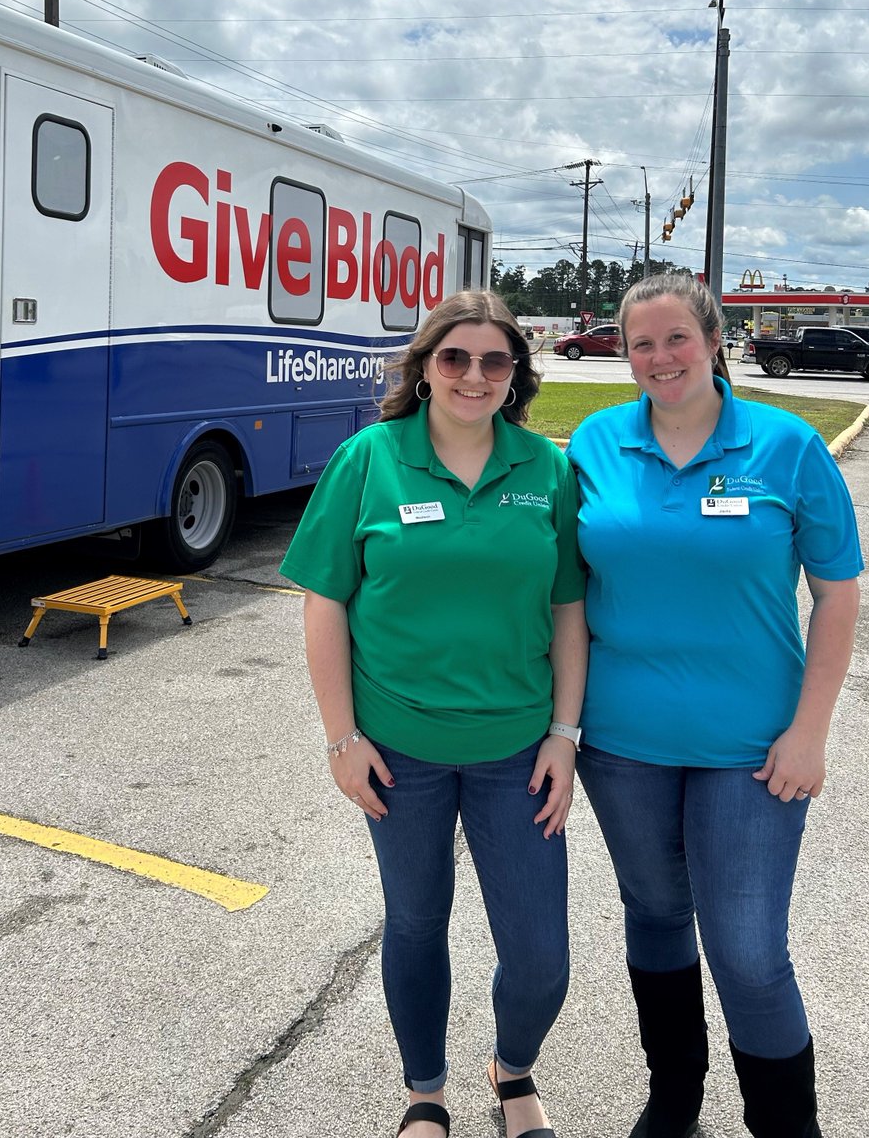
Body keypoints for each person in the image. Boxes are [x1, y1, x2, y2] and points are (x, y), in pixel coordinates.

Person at [280, 290, 587, 1138]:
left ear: (516, 373)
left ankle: (512, 1068)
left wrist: (566, 734)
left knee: (540, 955)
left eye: (495, 360)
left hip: (517, 749)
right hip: (397, 751)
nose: (474, 375)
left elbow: (568, 608)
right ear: (424, 368)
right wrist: (341, 738)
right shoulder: (369, 459)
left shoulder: (546, 468)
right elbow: (325, 603)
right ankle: (426, 1093)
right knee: (416, 923)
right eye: (455, 358)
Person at [566, 273, 862, 1138]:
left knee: (747, 950)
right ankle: (675, 1099)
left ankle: (784, 1126)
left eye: (676, 339)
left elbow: (837, 594)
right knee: (655, 918)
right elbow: (560, 589)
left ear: (713, 339)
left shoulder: (786, 445)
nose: (659, 358)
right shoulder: (594, 442)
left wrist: (811, 732)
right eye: (640, 344)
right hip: (622, 744)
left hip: (754, 746)